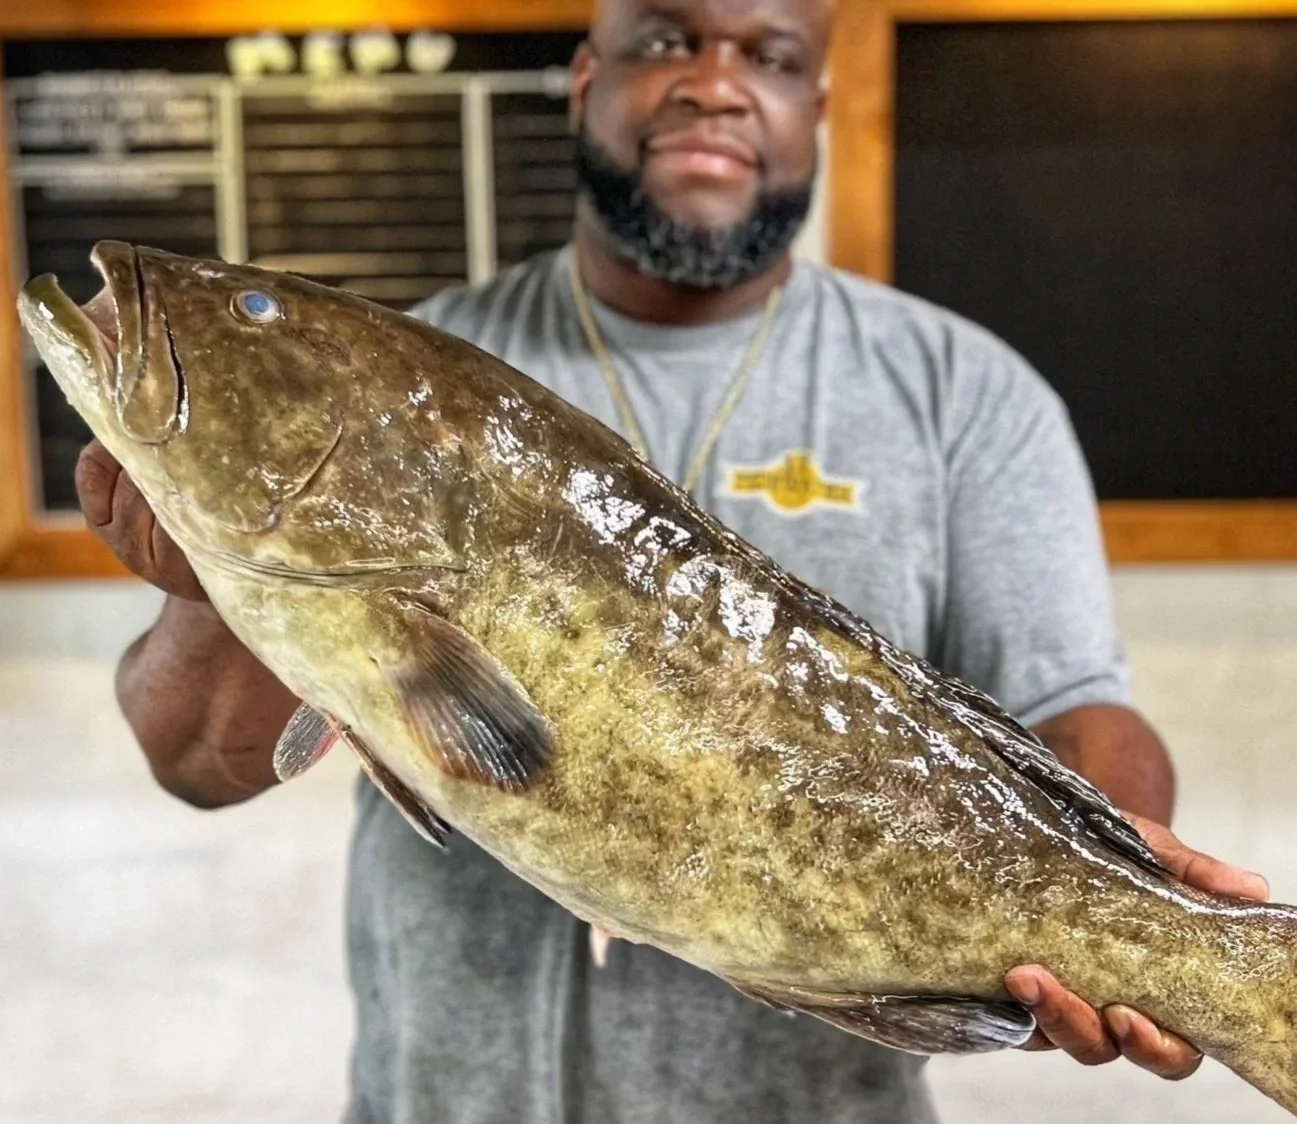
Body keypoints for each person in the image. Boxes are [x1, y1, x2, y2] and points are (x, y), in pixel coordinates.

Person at [75, 0, 1272, 1121]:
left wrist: (1127, 908)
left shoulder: (966, 394)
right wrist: (205, 572)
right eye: (665, 38)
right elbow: (194, 760)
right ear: (588, 79)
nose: (716, 85)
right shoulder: (421, 362)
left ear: (819, 101)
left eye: (771, 55)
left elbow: (1075, 701)